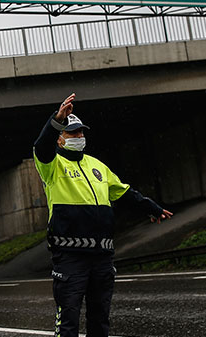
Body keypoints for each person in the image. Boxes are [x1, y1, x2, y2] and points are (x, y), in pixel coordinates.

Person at [33, 94, 173, 337]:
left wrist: (152, 208)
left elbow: (125, 193)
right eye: (72, 133)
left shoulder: (97, 166)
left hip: (102, 257)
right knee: (68, 321)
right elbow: (41, 147)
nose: (79, 137)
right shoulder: (52, 166)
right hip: (70, 257)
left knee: (100, 320)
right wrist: (56, 120)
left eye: (81, 133)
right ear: (60, 139)